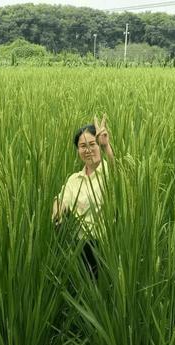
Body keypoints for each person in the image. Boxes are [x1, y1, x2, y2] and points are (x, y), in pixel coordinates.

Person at [52, 115, 114, 280]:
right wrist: (57, 213)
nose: (88, 149)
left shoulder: (109, 173)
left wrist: (106, 146)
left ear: (98, 145)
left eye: (92, 144)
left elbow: (120, 178)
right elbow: (61, 200)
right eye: (82, 146)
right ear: (78, 150)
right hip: (79, 248)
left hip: (105, 248)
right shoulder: (74, 180)